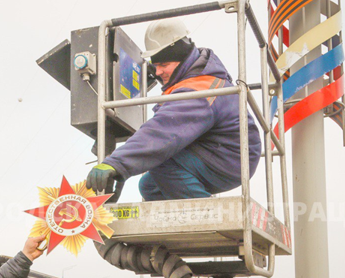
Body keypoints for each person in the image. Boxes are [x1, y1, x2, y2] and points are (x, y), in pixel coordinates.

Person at [86, 18, 261, 201]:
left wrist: (116, 163)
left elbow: (162, 132)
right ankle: (181, 225)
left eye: (164, 65)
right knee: (150, 185)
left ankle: (208, 216)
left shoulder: (199, 89)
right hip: (218, 153)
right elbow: (162, 132)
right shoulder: (194, 79)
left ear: (182, 58)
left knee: (163, 163)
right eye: (156, 66)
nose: (158, 72)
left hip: (229, 159)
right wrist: (122, 167)